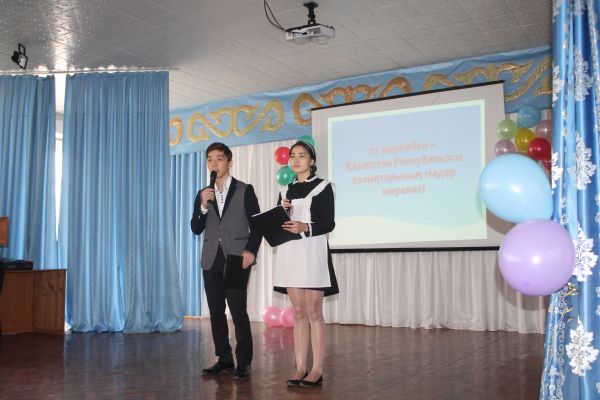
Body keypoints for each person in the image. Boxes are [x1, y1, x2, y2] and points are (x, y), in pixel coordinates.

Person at [191, 142, 262, 380]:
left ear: (229, 162)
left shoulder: (245, 189)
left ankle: (244, 362)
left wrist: (251, 250)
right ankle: (224, 359)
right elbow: (195, 228)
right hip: (211, 258)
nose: (214, 164)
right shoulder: (203, 193)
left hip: (236, 257)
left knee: (238, 310)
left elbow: (257, 225)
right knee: (216, 311)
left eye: (219, 159)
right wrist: (203, 207)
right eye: (210, 159)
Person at [273, 140, 339, 388]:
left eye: (302, 155)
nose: (296, 159)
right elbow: (277, 224)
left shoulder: (324, 187)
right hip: (290, 251)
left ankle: (317, 369)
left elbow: (329, 223)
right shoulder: (285, 190)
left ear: (312, 161)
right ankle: (300, 367)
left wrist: (304, 226)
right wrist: (282, 213)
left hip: (312, 250)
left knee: (314, 312)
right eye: (293, 155)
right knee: (298, 312)